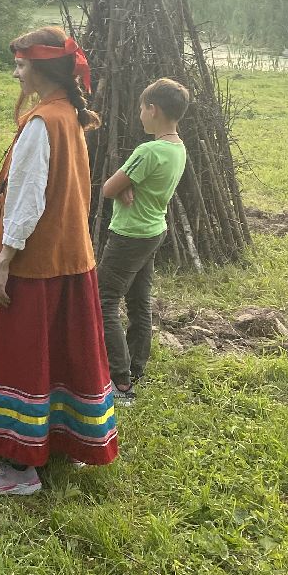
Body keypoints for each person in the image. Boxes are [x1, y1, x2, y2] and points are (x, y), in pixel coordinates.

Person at [0, 26, 118, 496]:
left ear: (42, 69)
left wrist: (4, 261)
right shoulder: (69, 114)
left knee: (22, 359)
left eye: (22, 65)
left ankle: (17, 468)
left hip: (35, 265)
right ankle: (60, 439)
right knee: (61, 356)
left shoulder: (42, 123)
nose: (15, 72)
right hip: (69, 258)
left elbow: (26, 200)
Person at [99, 78, 190, 406]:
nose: (139, 114)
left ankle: (120, 383)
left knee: (104, 300)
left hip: (129, 235)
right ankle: (136, 367)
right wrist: (127, 184)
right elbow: (135, 184)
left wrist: (120, 185)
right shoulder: (177, 148)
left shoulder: (148, 151)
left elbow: (108, 188)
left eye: (142, 108)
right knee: (139, 302)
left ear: (153, 109)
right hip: (154, 230)